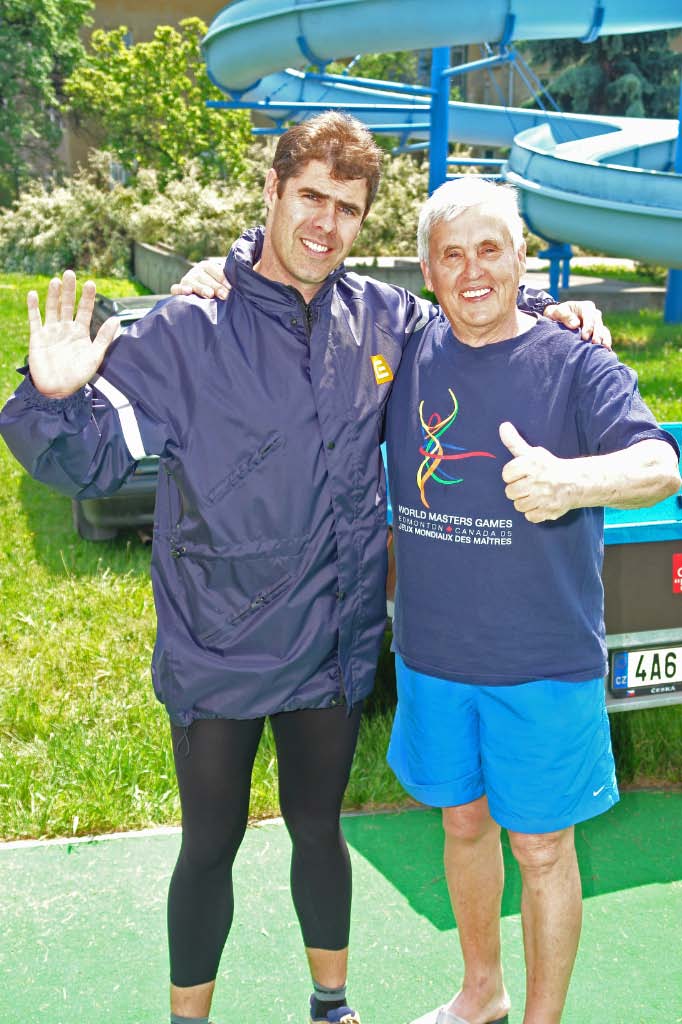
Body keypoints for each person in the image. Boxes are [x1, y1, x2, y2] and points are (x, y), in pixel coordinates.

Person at [0, 113, 610, 1024]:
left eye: (348, 208)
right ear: (273, 191)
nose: (326, 223)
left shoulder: (383, 318)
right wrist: (52, 397)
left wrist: (553, 310)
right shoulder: (191, 324)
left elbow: (474, 310)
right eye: (311, 197)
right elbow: (86, 462)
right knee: (209, 845)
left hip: (331, 644)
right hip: (217, 647)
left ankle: (332, 1006)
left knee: (320, 830)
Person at [378, 177, 680, 1024]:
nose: (473, 271)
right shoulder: (405, 354)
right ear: (429, 272)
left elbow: (660, 465)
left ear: (521, 258)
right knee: (463, 825)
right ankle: (482, 993)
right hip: (434, 656)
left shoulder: (578, 362)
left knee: (543, 849)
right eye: (452, 255)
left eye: (491, 250)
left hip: (543, 660)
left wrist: (571, 482)